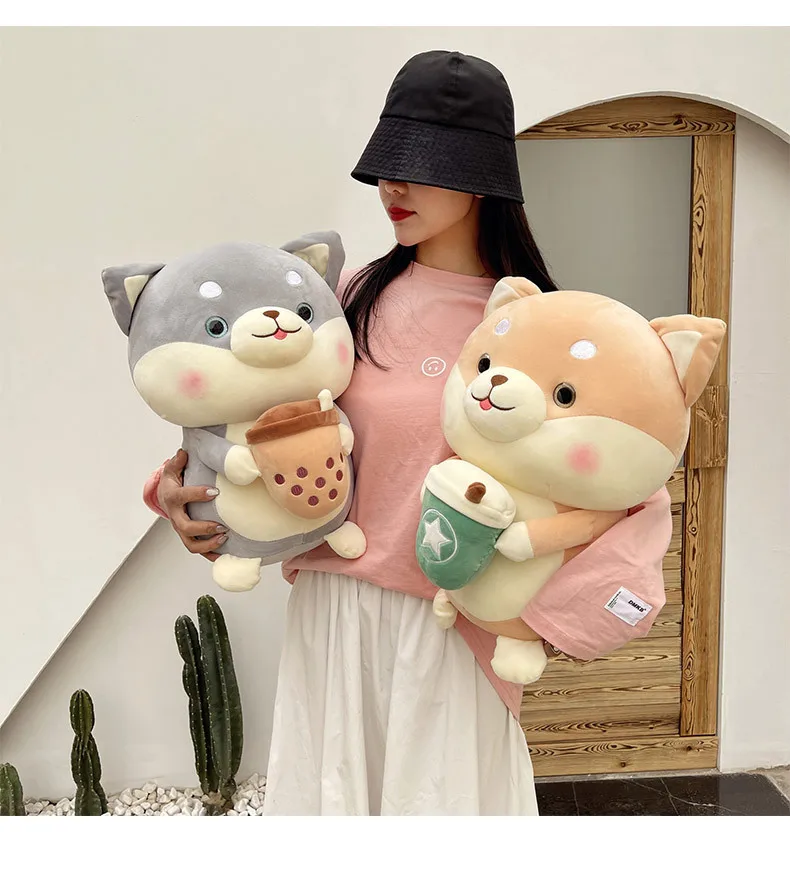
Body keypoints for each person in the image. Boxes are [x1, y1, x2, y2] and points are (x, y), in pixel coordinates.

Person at [143, 50, 672, 815]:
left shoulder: (535, 324)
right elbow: (250, 416)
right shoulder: (345, 298)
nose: (393, 187)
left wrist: (555, 617)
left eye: (419, 166)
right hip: (333, 613)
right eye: (387, 166)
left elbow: (626, 486)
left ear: (481, 176)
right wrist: (177, 493)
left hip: (450, 628)